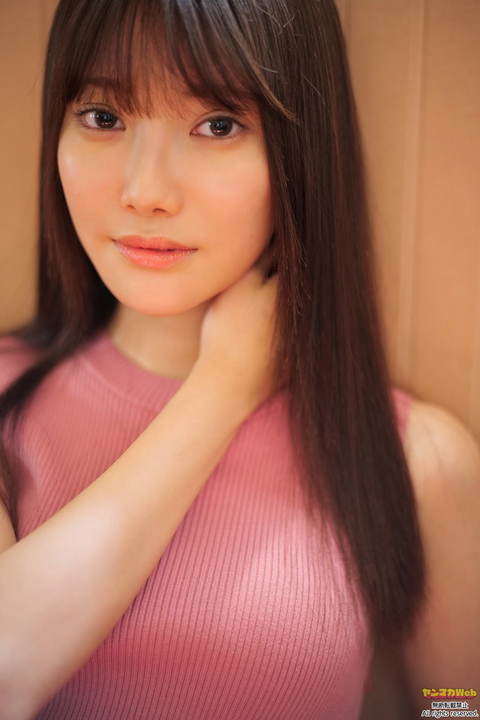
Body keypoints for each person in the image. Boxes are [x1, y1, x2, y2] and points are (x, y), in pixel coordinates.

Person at [0, 0, 478, 718]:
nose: (145, 192)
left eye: (217, 125)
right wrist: (221, 391)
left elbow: (459, 703)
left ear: (299, 151)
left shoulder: (414, 460)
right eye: (103, 116)